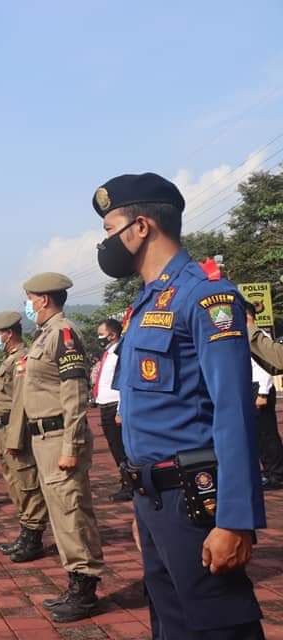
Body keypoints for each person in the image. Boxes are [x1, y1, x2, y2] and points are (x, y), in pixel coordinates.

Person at [94, 172, 266, 638]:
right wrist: (141, 507)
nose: (105, 243)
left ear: (141, 226)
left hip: (197, 499)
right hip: (155, 500)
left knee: (217, 627)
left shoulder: (207, 297)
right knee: (172, 627)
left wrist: (235, 520)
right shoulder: (145, 304)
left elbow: (233, 413)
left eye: (110, 230)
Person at [17, 272, 104, 622]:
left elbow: (74, 394)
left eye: (30, 298)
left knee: (72, 513)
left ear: (44, 299)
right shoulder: (45, 335)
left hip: (59, 438)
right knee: (61, 514)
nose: (27, 305)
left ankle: (85, 592)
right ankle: (75, 584)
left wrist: (72, 444)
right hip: (44, 439)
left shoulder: (63, 333)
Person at [0, 312, 47, 562]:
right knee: (14, 484)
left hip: (14, 430)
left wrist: (14, 439)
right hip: (1, 429)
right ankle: (25, 532)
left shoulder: (21, 358)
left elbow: (20, 402)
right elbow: (0, 401)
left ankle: (33, 538)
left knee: (27, 484)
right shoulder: (8, 359)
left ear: (9, 334)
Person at [245, 302, 283, 491]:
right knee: (259, 435)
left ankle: (277, 474)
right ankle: (269, 471)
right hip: (251, 388)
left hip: (260, 388)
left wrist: (262, 393)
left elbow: (267, 367)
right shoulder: (246, 337)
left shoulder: (259, 336)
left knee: (267, 434)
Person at [92, 319, 130, 502]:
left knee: (121, 446)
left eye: (101, 334)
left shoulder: (121, 352)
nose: (99, 338)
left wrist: (121, 409)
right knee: (114, 446)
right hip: (105, 403)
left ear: (113, 334)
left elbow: (123, 381)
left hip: (115, 403)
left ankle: (129, 483)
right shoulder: (108, 352)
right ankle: (125, 480)